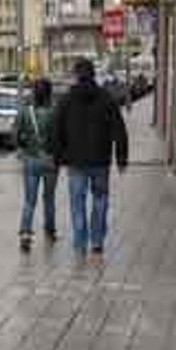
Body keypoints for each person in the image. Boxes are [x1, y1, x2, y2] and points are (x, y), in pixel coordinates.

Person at [53, 58, 128, 256]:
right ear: (93, 74)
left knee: (77, 202)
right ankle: (97, 241)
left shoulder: (66, 100)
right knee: (100, 199)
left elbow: (56, 129)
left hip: (76, 162)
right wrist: (121, 158)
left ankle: (80, 242)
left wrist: (58, 156)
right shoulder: (106, 98)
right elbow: (119, 129)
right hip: (100, 160)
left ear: (77, 75)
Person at [15, 78, 58, 252]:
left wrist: (24, 148)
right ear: (49, 94)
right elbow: (60, 137)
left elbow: (16, 135)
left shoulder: (25, 112)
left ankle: (25, 233)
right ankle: (50, 230)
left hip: (31, 160)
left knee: (29, 200)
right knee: (49, 199)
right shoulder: (55, 112)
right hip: (50, 161)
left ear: (34, 93)